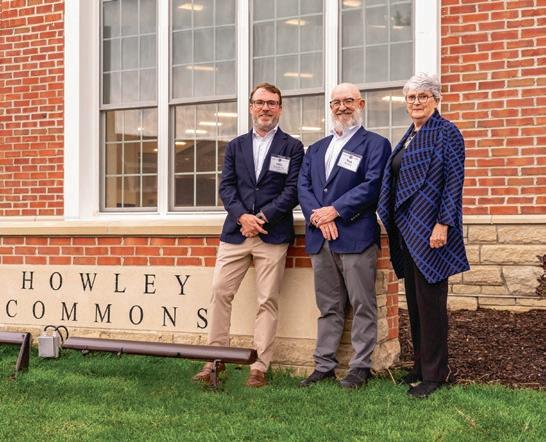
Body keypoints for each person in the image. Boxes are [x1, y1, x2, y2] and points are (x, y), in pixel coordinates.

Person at [192, 83, 304, 388]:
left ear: (280, 108)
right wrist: (243, 217)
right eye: (260, 102)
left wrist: (262, 218)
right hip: (236, 232)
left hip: (272, 233)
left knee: (267, 300)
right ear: (251, 107)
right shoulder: (236, 146)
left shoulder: (293, 147)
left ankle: (259, 367)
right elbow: (226, 187)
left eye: (272, 103)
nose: (265, 108)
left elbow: (292, 190)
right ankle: (214, 361)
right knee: (219, 292)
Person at [377, 73, 469, 398]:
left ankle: (436, 374)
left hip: (430, 230)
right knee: (415, 304)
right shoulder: (410, 135)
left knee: (431, 304)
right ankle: (420, 366)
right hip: (408, 230)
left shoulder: (446, 132)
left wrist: (443, 224)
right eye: (411, 97)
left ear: (436, 99)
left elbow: (453, 182)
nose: (416, 102)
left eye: (423, 96)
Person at [298, 83, 391, 389]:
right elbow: (303, 187)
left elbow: (372, 185)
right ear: (330, 107)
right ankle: (324, 366)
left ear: (360, 104)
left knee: (362, 304)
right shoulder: (316, 149)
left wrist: (335, 211)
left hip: (355, 236)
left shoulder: (375, 144)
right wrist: (318, 216)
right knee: (328, 306)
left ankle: (360, 367)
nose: (342, 107)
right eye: (336, 102)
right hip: (321, 238)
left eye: (348, 100)